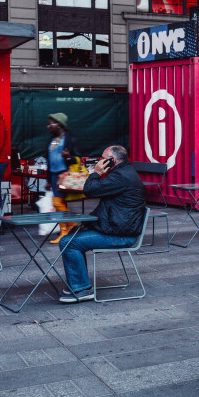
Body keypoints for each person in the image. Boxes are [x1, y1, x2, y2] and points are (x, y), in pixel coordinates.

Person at [59, 146, 146, 303]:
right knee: (73, 236)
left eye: (102, 157)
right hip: (119, 229)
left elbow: (90, 190)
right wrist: (85, 224)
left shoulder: (120, 177)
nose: (99, 160)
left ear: (112, 160)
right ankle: (78, 284)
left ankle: (81, 289)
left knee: (68, 242)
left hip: (121, 235)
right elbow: (106, 209)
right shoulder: (123, 172)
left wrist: (96, 173)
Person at [46, 113, 80, 244]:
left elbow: (77, 158)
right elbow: (50, 160)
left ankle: (69, 226)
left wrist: (68, 156)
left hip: (64, 176)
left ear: (59, 124)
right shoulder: (52, 139)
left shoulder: (70, 138)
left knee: (57, 203)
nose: (48, 126)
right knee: (60, 203)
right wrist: (49, 180)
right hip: (54, 176)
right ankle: (66, 230)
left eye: (51, 124)